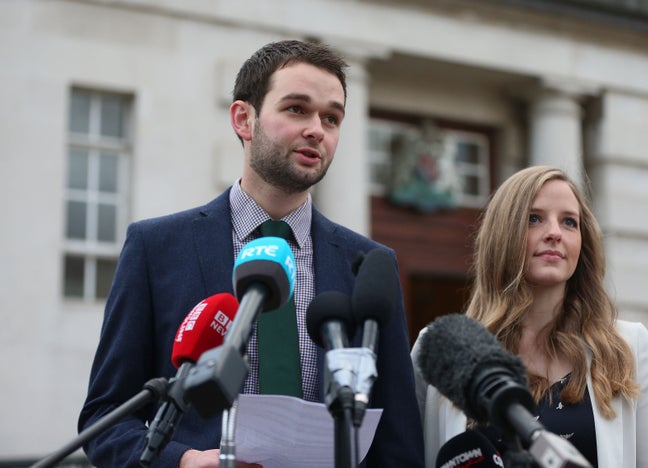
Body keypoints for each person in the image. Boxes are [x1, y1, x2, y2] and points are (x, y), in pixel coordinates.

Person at [78, 39, 424, 468]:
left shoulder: (371, 265)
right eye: (297, 108)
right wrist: (184, 462)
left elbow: (400, 442)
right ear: (244, 119)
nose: (317, 128)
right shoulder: (156, 248)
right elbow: (106, 421)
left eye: (331, 118)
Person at [411, 166, 648, 467]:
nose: (554, 233)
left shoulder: (631, 347)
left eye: (569, 222)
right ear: (503, 234)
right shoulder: (439, 349)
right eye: (534, 218)